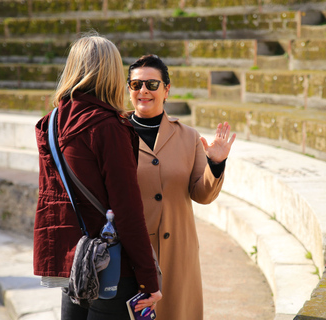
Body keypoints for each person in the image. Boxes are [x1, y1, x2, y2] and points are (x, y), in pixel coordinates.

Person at [33, 34, 161, 320]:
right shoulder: (108, 128)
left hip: (75, 261)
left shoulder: (51, 122)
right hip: (111, 265)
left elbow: (51, 199)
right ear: (112, 73)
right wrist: (148, 279)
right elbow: (127, 210)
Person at [127, 54, 236, 319]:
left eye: (152, 84)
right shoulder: (116, 133)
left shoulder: (187, 136)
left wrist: (216, 164)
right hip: (133, 252)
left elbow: (202, 194)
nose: (143, 91)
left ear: (166, 90)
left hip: (179, 252)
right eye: (136, 85)